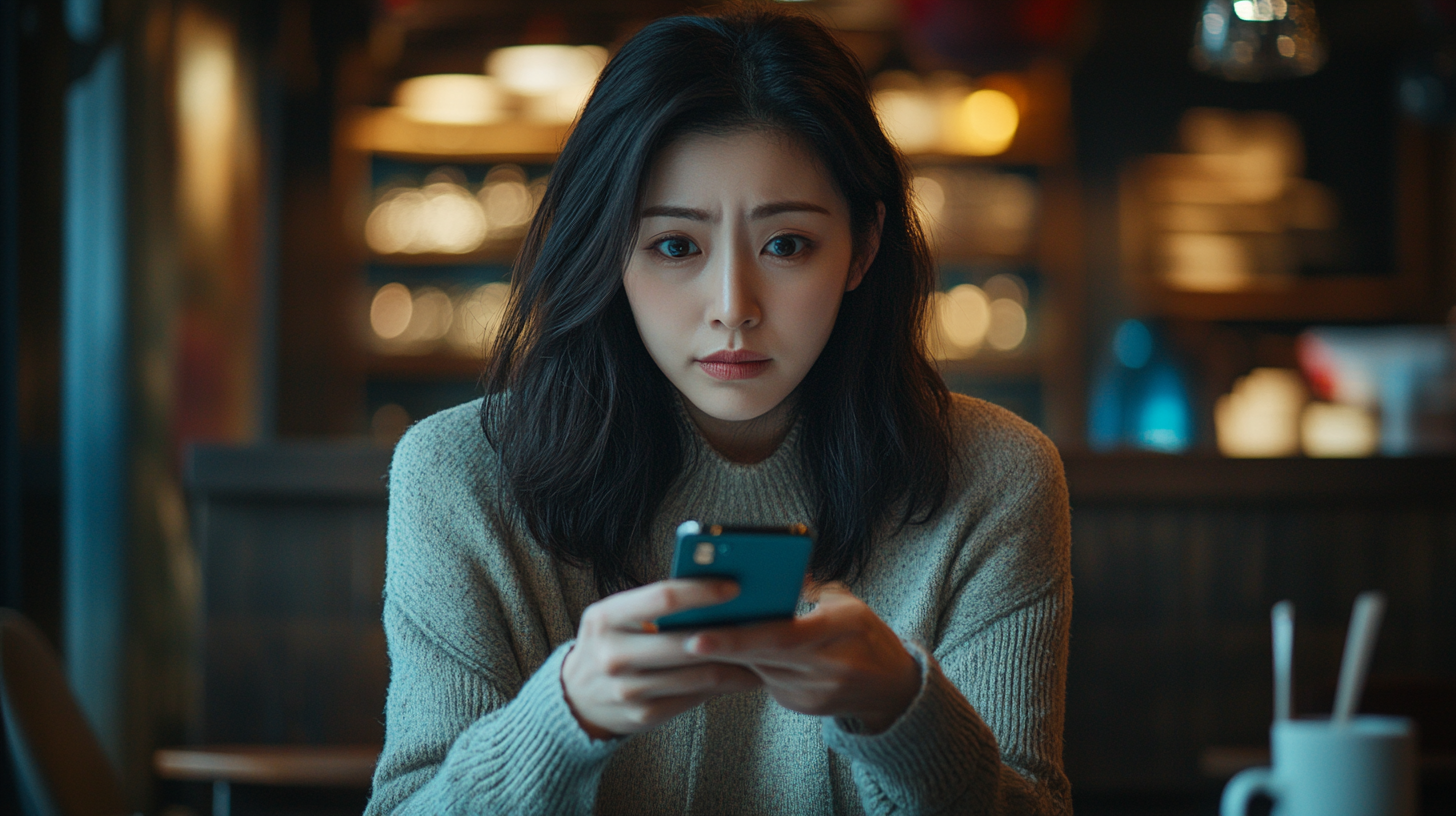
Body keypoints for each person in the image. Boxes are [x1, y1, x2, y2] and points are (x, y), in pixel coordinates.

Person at [365, 8, 1071, 816]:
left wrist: (903, 712)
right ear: (607, 248)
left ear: (864, 248)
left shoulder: (995, 475)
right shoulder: (455, 473)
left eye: (787, 244)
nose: (733, 307)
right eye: (675, 246)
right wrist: (563, 715)